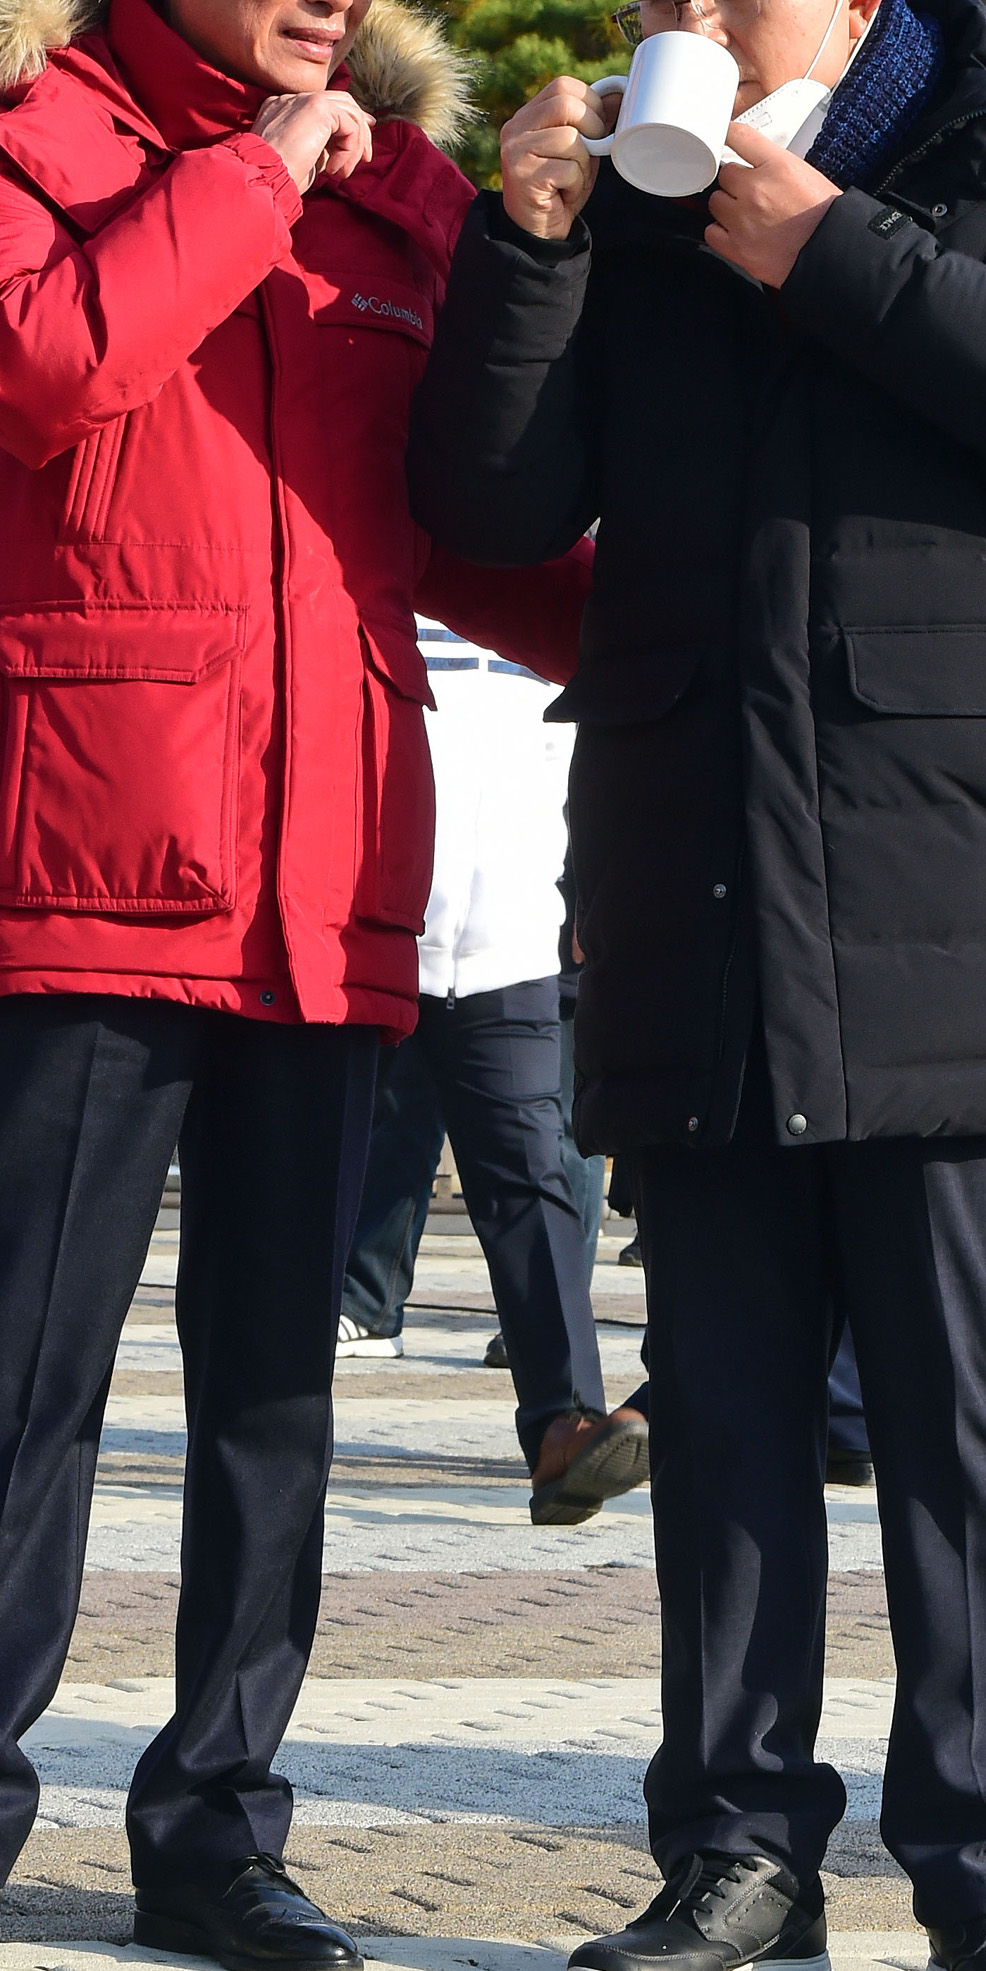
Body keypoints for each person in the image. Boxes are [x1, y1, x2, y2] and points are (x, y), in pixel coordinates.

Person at [408, 0, 986, 1971]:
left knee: (958, 1424)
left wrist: (827, 242)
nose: (688, 23)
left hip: (956, 899)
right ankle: (736, 1856)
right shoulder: (631, 217)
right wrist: (530, 246)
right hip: (699, 887)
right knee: (728, 1427)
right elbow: (485, 498)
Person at [0, 0, 589, 1971]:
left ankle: (218, 1828)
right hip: (78, 857)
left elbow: (472, 521)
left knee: (280, 1386)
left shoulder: (411, 198)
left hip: (324, 866)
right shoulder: (7, 143)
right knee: (13, 1379)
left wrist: (684, 637)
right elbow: (38, 370)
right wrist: (258, 172)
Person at [336, 617, 646, 1523]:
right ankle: (265, 1429)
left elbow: (589, 768)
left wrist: (591, 901)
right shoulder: (370, 572)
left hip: (509, 949)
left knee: (533, 1182)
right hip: (358, 940)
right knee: (315, 1180)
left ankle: (565, 1425)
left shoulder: (547, 584)